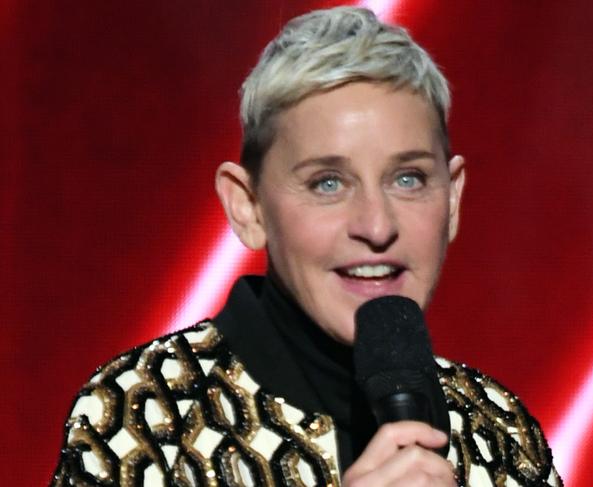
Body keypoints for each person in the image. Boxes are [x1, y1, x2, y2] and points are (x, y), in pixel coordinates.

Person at [51, 7, 562, 486]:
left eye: (408, 179)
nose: (376, 225)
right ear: (248, 207)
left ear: (451, 201)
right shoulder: (144, 413)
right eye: (328, 183)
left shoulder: (500, 431)